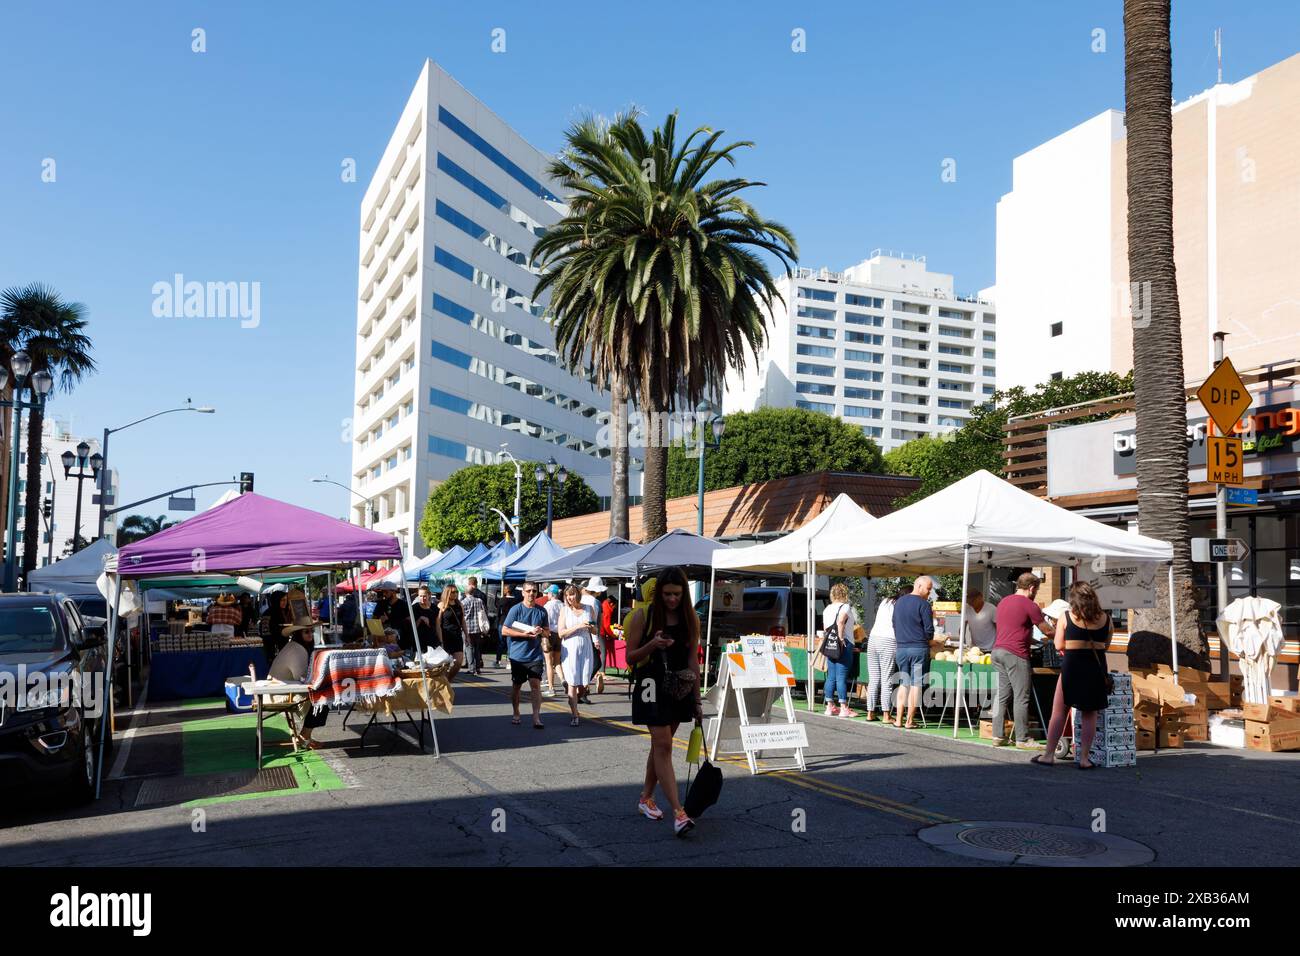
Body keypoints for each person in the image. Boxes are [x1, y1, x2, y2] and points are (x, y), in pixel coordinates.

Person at [625, 566, 701, 837]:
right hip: (649, 686)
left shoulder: (690, 618)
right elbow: (630, 658)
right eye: (667, 594)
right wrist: (652, 645)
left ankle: (646, 798)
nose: (672, 599)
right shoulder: (642, 616)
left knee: (660, 746)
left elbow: (693, 660)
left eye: (677, 594)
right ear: (658, 594)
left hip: (678, 688)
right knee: (664, 745)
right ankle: (679, 813)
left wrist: (698, 699)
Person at [1036, 581, 1112, 768]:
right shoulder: (1106, 619)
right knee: (1089, 713)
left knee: (1059, 711)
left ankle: (1048, 755)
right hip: (1096, 667)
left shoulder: (1066, 617)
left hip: (1072, 667)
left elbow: (1058, 645)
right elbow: (1106, 645)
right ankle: (1084, 759)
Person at [990, 572, 1056, 749]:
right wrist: (1062, 635)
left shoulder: (1003, 601)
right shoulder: (1030, 604)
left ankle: (997, 735)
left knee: (1001, 696)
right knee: (1021, 697)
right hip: (1015, 654)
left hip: (997, 651)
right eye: (1037, 590)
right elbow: (1048, 630)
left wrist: (1031, 640)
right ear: (1032, 588)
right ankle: (1022, 738)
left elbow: (1013, 628)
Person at [267, 625, 328, 749]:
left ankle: (306, 735)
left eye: (312, 631)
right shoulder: (297, 649)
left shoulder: (296, 646)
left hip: (281, 691)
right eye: (306, 632)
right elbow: (302, 677)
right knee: (323, 697)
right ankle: (305, 736)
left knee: (322, 694)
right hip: (279, 694)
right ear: (298, 634)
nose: (310, 634)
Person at [502, 582, 552, 730]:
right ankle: (516, 711)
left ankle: (536, 716)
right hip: (518, 655)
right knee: (517, 686)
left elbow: (547, 632)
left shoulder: (542, 611)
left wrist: (540, 631)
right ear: (523, 593)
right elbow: (504, 630)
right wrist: (523, 634)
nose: (531, 593)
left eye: (534, 591)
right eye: (529, 591)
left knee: (535, 685)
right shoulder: (515, 609)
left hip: (535, 655)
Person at [891, 576, 935, 729]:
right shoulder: (924, 605)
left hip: (901, 648)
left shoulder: (899, 602)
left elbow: (894, 624)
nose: (929, 592)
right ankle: (909, 721)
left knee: (904, 683)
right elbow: (929, 630)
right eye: (928, 588)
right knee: (916, 685)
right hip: (918, 649)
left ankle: (898, 720)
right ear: (919, 585)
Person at [557, 585, 596, 726]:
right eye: (567, 595)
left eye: (572, 594)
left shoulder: (588, 608)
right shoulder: (564, 611)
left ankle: (572, 698)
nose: (569, 598)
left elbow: (595, 630)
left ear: (578, 595)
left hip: (585, 646)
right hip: (570, 647)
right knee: (573, 682)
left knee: (584, 683)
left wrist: (591, 628)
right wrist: (578, 626)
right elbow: (561, 633)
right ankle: (575, 714)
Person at [821, 583, 858, 718]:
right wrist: (841, 638)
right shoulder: (845, 607)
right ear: (844, 594)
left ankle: (829, 706)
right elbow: (841, 621)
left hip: (830, 644)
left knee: (831, 676)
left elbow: (825, 628)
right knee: (841, 676)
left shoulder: (827, 609)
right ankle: (843, 708)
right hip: (843, 643)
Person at [864, 582, 900, 722]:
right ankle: (886, 714)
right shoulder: (900, 605)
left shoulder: (885, 601)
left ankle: (870, 712)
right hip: (889, 640)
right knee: (887, 679)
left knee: (873, 678)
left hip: (873, 638)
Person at [581, 578, 607, 697]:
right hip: (591, 635)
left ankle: (582, 688)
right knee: (596, 663)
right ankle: (583, 686)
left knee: (584, 662)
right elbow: (595, 622)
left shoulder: (581, 599)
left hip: (579, 634)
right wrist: (596, 639)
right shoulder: (595, 602)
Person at [436, 584, 467, 679]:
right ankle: (445, 684)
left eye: (457, 592)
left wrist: (467, 635)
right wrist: (440, 640)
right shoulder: (442, 605)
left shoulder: (460, 605)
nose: (456, 594)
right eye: (453, 592)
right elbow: (438, 623)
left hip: (457, 636)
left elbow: (463, 621)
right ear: (447, 593)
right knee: (445, 664)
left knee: (458, 662)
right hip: (446, 636)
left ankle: (448, 681)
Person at [461, 578, 488, 676]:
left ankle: (471, 668)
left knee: (469, 648)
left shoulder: (463, 602)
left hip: (467, 628)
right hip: (478, 628)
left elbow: (461, 615)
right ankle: (478, 668)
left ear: (465, 592)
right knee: (477, 648)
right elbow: (484, 612)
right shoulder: (479, 600)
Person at [542, 584, 564, 698]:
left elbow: (546, 622)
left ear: (551, 594)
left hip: (549, 634)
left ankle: (551, 688)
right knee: (557, 662)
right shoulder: (563, 605)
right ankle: (563, 679)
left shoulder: (547, 605)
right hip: (559, 635)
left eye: (548, 593)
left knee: (549, 663)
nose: (547, 595)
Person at [964, 588, 998, 653]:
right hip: (975, 649)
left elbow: (999, 628)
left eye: (973, 601)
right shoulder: (967, 608)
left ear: (980, 597)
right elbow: (963, 626)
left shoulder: (992, 609)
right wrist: (962, 642)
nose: (971, 604)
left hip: (990, 649)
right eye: (969, 602)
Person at [496, 582, 520, 668]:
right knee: (510, 643)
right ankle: (509, 662)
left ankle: (498, 661)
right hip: (512, 624)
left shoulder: (502, 600)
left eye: (505, 589)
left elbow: (498, 612)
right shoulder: (516, 601)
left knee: (501, 642)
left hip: (502, 622)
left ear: (507, 590)